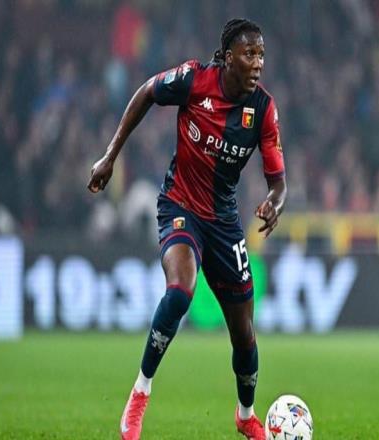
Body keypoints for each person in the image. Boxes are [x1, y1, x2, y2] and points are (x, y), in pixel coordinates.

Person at [88, 18, 286, 440]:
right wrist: (110, 156)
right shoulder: (195, 79)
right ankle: (140, 392)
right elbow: (146, 92)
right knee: (180, 291)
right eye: (249, 54)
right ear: (228, 57)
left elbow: (278, 181)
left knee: (244, 335)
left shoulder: (263, 110)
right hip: (179, 206)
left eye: (261, 55)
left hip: (224, 223)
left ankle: (246, 415)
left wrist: (275, 201)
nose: (258, 63)